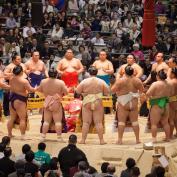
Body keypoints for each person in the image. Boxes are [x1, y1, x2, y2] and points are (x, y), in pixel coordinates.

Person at [76, 66, 110, 144]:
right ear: (97, 73)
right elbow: (107, 92)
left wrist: (84, 93)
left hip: (87, 101)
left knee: (86, 123)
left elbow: (77, 91)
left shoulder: (84, 81)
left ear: (89, 72)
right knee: (98, 122)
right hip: (98, 101)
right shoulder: (101, 81)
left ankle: (83, 140)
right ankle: (101, 140)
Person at [112, 65, 144, 144]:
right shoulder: (137, 80)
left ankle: (120, 140)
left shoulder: (120, 80)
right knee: (135, 122)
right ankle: (137, 139)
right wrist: (135, 95)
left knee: (121, 122)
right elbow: (142, 90)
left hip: (123, 103)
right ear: (133, 72)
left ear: (124, 72)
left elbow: (112, 90)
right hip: (133, 103)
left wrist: (119, 91)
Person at [37, 68, 68, 141]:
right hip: (56, 102)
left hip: (47, 101)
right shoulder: (60, 82)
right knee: (57, 121)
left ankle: (43, 137)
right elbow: (66, 92)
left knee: (46, 121)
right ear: (56, 74)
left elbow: (39, 90)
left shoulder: (43, 81)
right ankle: (59, 138)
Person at [7, 65, 36, 139]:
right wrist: (37, 88)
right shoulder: (23, 81)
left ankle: (9, 134)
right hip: (20, 101)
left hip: (12, 100)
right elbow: (31, 90)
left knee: (12, 118)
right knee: (23, 119)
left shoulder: (11, 79)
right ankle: (23, 136)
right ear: (21, 72)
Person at [146, 70, 171, 142]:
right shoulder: (168, 84)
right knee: (166, 122)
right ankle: (168, 138)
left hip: (157, 104)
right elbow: (171, 93)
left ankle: (154, 140)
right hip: (165, 103)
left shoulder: (155, 84)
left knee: (154, 123)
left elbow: (148, 93)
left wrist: (151, 98)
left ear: (158, 76)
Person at [168, 67, 177, 138]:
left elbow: (170, 93)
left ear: (173, 74)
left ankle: (170, 135)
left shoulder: (172, 82)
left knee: (171, 119)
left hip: (172, 100)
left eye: (170, 73)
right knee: (175, 118)